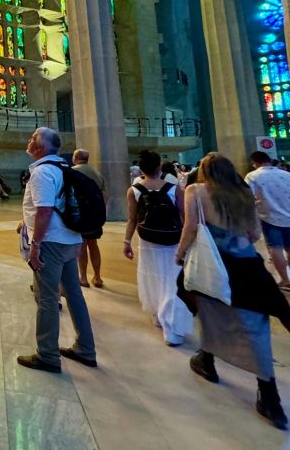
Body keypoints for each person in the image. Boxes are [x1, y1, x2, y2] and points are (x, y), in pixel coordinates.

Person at [176, 153, 290, 430]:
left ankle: (208, 360)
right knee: (255, 325)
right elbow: (254, 233)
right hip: (248, 267)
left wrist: (180, 253)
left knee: (205, 307)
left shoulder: (196, 190)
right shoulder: (244, 193)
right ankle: (268, 394)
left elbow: (191, 227)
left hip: (214, 266)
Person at [16, 127, 97, 373]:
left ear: (40, 147)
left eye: (32, 138)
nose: (29, 140)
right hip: (70, 239)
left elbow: (44, 211)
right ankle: (86, 348)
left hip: (50, 242)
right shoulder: (63, 168)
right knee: (73, 293)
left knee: (47, 298)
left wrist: (35, 245)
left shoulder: (42, 172)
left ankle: (48, 355)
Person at [123, 150, 192, 346]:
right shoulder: (173, 189)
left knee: (152, 278)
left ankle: (157, 313)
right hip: (172, 241)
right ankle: (172, 328)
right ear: (159, 166)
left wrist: (127, 242)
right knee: (172, 281)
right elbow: (185, 217)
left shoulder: (134, 190)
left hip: (147, 241)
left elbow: (132, 219)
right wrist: (188, 242)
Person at [245, 150, 290, 288]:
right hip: (288, 215)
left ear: (254, 163)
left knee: (275, 248)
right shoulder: (286, 174)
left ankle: (285, 280)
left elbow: (247, 197)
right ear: (269, 160)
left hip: (269, 217)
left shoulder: (253, 176)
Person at [71, 149, 105, 289]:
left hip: (80, 214)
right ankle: (97, 277)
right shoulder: (97, 173)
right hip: (95, 215)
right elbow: (104, 195)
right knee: (93, 244)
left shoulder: (72, 172)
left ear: (75, 158)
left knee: (82, 244)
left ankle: (83, 277)